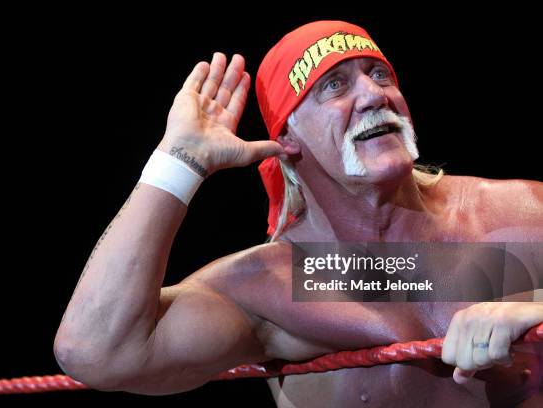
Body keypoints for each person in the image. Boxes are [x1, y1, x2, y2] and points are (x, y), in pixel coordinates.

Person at [53, 21, 543, 406]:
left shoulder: (515, 212)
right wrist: (177, 165)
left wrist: (536, 313)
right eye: (334, 86)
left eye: (379, 75)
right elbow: (97, 353)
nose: (374, 95)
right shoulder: (277, 284)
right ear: (286, 138)